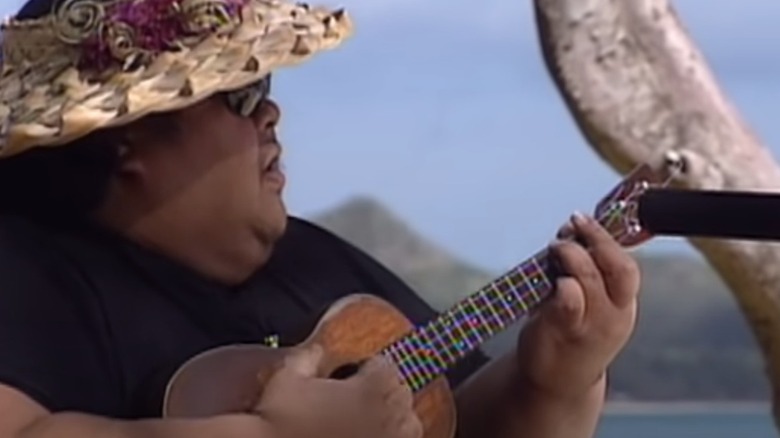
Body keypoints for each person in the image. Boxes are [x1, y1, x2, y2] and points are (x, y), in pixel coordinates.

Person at [0, 0, 641, 437]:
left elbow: (452, 423)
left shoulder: (316, 264)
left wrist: (553, 379)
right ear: (126, 141)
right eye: (240, 96)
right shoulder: (26, 275)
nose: (270, 117)